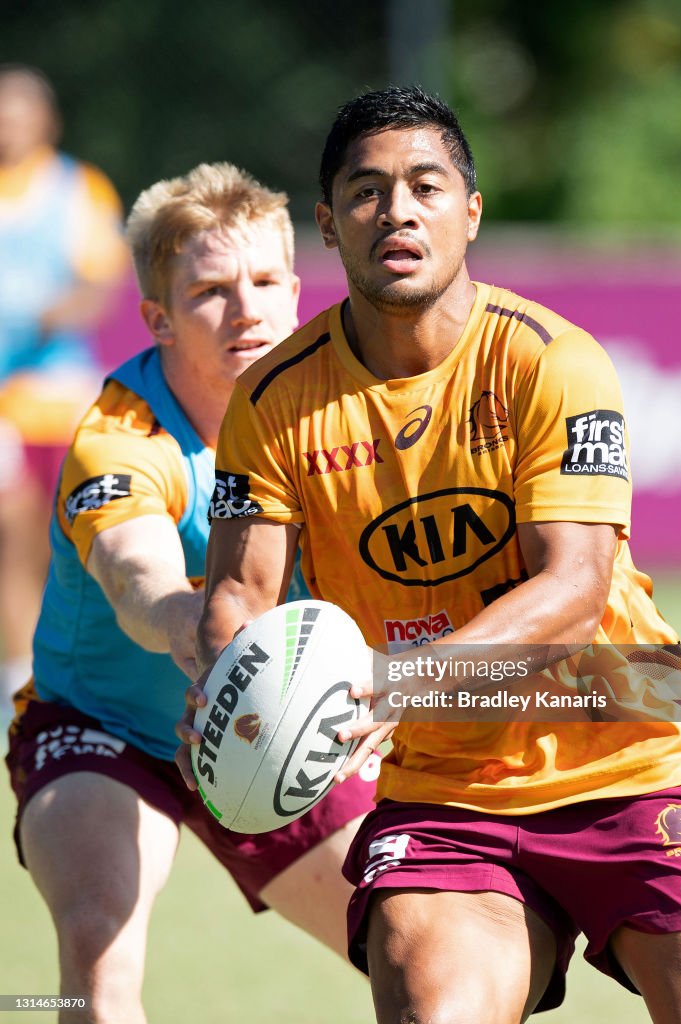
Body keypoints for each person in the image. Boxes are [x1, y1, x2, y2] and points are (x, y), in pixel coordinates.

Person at [177, 87, 681, 1023]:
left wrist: (395, 684)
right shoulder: (270, 400)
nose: (398, 210)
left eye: (425, 185)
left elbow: (573, 592)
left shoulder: (553, 359)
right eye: (367, 191)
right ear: (329, 224)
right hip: (445, 787)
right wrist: (235, 691)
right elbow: (238, 595)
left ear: (470, 212)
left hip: (633, 743)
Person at [5, 162, 377, 1024]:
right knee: (97, 947)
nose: (245, 308)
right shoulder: (117, 437)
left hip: (275, 726)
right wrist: (205, 636)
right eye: (210, 290)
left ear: (295, 291)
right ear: (158, 318)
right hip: (102, 729)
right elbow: (142, 584)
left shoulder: (345, 416)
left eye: (263, 281)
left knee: (415, 949)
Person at [0, 64, 127, 703]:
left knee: (78, 550)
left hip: (60, 397)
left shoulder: (77, 189)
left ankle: (81, 677)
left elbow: (96, 285)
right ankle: (16, 681)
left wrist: (48, 311)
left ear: (45, 120)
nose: (8, 121)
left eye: (19, 109)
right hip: (3, 413)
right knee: (12, 542)